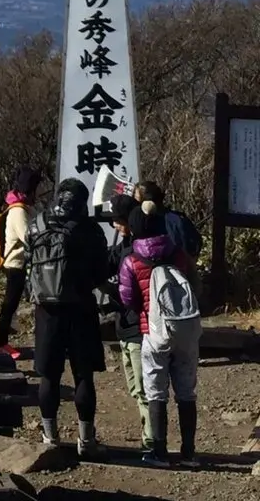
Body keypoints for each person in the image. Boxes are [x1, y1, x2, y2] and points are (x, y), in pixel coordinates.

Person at [28, 178, 109, 461]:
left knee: (49, 375)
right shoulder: (89, 230)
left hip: (46, 310)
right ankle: (86, 440)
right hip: (81, 309)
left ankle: (50, 437)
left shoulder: (37, 223)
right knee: (83, 375)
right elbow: (101, 273)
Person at [119, 201, 201, 469]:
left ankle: (160, 452)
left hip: (152, 332)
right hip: (185, 329)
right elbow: (194, 283)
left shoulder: (132, 260)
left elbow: (128, 298)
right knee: (186, 392)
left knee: (156, 392)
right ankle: (189, 452)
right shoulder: (178, 253)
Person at [106, 194, 152, 452]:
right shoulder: (125, 245)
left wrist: (109, 291)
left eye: (117, 220)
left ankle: (152, 442)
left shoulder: (138, 250)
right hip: (125, 326)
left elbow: (130, 293)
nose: (114, 225)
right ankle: (150, 437)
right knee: (136, 389)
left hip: (138, 327)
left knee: (144, 389)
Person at [0, 165, 42, 360]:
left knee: (13, 303)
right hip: (16, 264)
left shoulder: (24, 208)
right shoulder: (18, 211)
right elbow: (28, 237)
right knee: (10, 303)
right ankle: (1, 343)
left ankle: (3, 340)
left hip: (23, 263)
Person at [133, 181, 203, 262]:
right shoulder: (178, 219)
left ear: (147, 204)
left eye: (138, 203)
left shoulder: (147, 226)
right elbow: (195, 245)